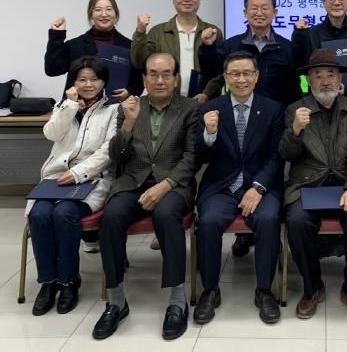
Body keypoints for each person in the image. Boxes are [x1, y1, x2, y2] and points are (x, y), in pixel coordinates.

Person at [92, 53, 199, 341]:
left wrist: (165, 185)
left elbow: (192, 157)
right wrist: (128, 124)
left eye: (166, 74)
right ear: (144, 78)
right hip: (132, 182)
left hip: (174, 185)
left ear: (175, 79)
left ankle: (177, 300)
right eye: (153, 74)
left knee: (166, 215)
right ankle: (116, 301)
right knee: (111, 218)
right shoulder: (128, 107)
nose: (159, 80)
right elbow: (116, 157)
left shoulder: (190, 108)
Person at [198, 0, 301, 258]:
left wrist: (292, 117)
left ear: (275, 12)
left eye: (265, 7)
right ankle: (244, 235)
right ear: (245, 13)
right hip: (237, 118)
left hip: (274, 121)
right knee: (239, 168)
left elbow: (294, 87)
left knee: (269, 171)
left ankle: (267, 234)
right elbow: (211, 71)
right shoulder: (232, 45)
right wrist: (207, 48)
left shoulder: (287, 47)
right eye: (253, 8)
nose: (259, 12)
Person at [279, 48, 347, 321]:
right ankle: (312, 288)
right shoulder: (295, 110)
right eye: (318, 75)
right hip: (308, 185)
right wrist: (295, 130)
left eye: (330, 74)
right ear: (309, 80)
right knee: (296, 221)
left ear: (339, 78)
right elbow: (286, 154)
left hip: (346, 183)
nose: (324, 81)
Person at [194, 51, 283, 325]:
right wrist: (209, 134)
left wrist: (258, 187)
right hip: (221, 185)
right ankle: (210, 290)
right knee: (208, 221)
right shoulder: (210, 108)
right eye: (235, 74)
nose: (241, 79)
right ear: (225, 77)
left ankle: (264, 290)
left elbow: (276, 156)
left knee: (268, 219)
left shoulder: (273, 109)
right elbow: (199, 157)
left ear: (256, 76)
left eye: (247, 73)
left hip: (260, 185)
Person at [27, 56, 117, 316]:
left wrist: (78, 173)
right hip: (55, 178)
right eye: (82, 79)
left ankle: (68, 281)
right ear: (73, 82)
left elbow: (108, 151)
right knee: (39, 214)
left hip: (92, 178)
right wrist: (68, 106)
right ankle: (48, 282)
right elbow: (51, 134)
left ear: (103, 81)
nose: (88, 84)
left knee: (64, 213)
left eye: (94, 79)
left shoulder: (113, 110)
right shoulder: (64, 106)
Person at [130, 0, 224, 102]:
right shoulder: (158, 32)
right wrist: (140, 32)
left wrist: (207, 94)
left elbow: (221, 70)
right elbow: (139, 62)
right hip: (167, 101)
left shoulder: (212, 32)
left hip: (204, 102)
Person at [44, 0, 143, 102]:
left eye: (109, 9)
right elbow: (52, 70)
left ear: (116, 13)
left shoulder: (129, 46)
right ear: (91, 14)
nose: (104, 14)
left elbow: (139, 80)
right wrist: (57, 35)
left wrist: (130, 92)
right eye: (98, 10)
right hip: (78, 108)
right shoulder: (75, 45)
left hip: (116, 108)